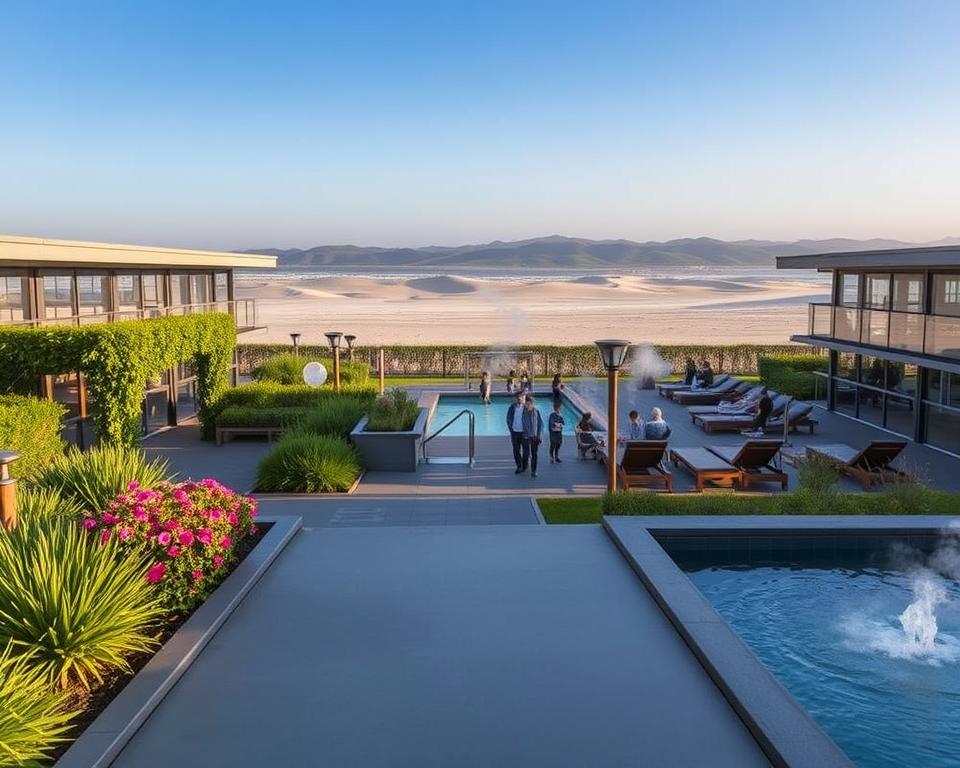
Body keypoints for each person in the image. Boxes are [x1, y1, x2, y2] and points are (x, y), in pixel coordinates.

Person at [520, 395, 544, 478]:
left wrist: (539, 435)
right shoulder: (522, 411)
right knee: (526, 453)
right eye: (527, 403)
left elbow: (540, 424)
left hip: (534, 436)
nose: (529, 405)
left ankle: (534, 470)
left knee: (534, 454)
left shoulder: (536, 411)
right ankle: (524, 466)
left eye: (530, 403)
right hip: (525, 436)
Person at [505, 391, 526, 471]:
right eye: (518, 397)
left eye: (521, 397)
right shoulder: (512, 407)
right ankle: (519, 465)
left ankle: (525, 464)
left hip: (524, 433)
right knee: (516, 450)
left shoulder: (526, 408)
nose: (519, 399)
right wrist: (511, 428)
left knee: (525, 450)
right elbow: (508, 418)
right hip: (515, 432)